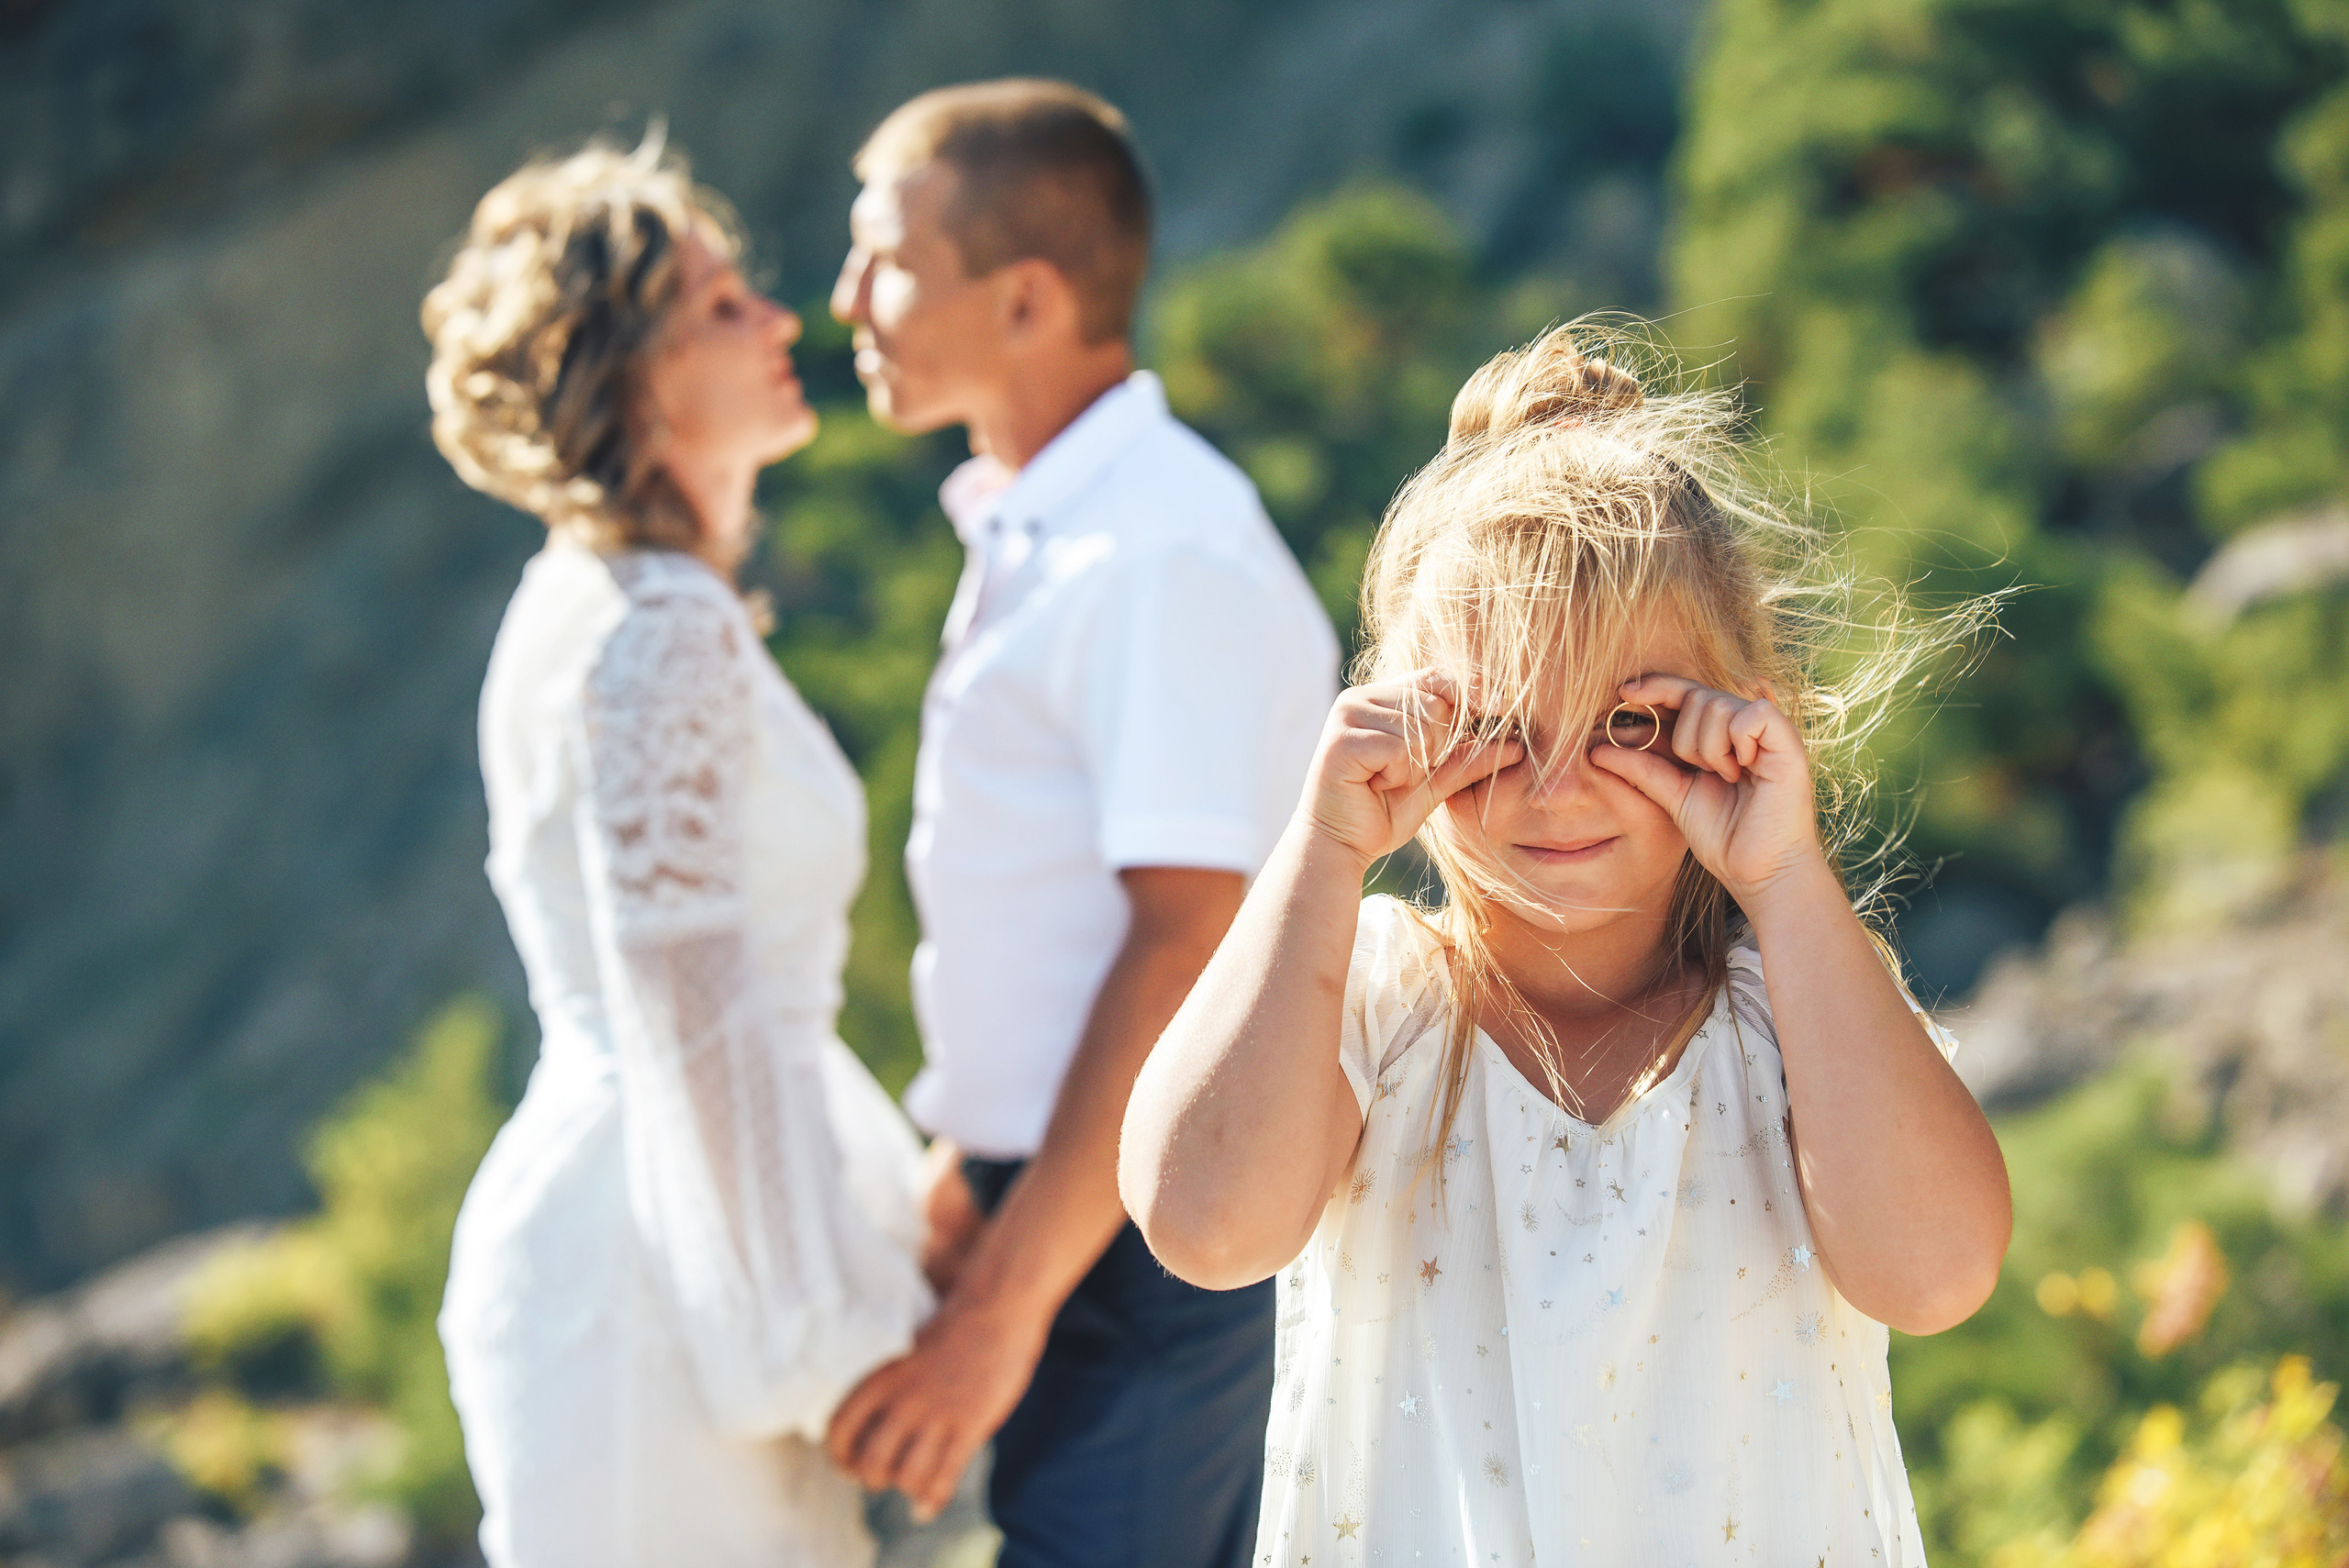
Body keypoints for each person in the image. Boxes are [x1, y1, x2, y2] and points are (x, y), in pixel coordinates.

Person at [1119, 323, 2014, 1562]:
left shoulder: (1792, 1017)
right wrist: (1323, 849)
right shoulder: (1373, 1004)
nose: (1557, 785)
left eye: (1631, 718)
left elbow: (1939, 1273)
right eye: (1494, 718)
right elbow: (1204, 1225)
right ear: (1400, 720)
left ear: (1743, 716)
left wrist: (1787, 874)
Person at [821, 80, 1341, 1565]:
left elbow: (1189, 942)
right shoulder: (1055, 524)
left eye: (890, 260)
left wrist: (1001, 1308)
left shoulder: (1152, 550)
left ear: (1030, 298)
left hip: (1149, 1245)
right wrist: (974, 1150)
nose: (850, 297)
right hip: (1068, 1204)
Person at [422, 136, 933, 1568]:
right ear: (624, 372)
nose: (780, 322)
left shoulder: (583, 602)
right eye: (721, 306)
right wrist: (819, 1350)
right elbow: (694, 1013)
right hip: (666, 1296)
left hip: (641, 1242)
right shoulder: (659, 626)